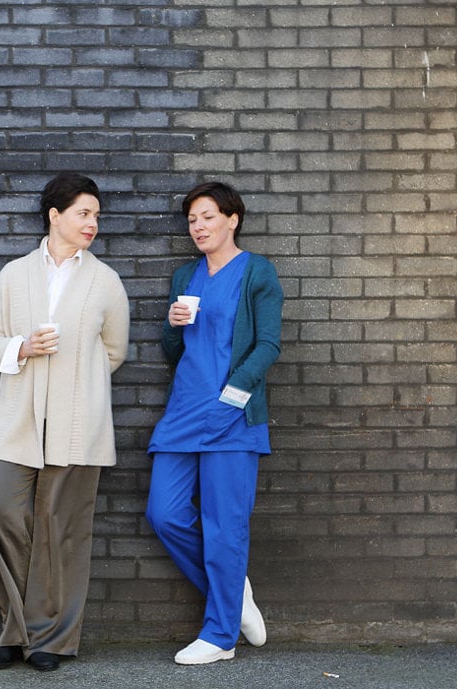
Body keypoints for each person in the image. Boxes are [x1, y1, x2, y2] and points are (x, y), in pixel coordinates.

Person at [0, 173, 130, 672]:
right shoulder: (14, 275)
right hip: (17, 420)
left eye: (97, 216)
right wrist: (21, 348)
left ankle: (50, 641)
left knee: (60, 529)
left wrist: (75, 384)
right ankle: (15, 628)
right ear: (55, 215)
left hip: (78, 427)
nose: (93, 224)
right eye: (84, 213)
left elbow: (114, 352)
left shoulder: (105, 281)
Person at [144, 181, 283, 665]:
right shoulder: (187, 274)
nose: (198, 227)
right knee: (164, 513)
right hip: (184, 412)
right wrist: (173, 325)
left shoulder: (257, 272)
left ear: (232, 219)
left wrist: (234, 395)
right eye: (192, 220)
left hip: (232, 416)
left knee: (225, 528)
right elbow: (171, 350)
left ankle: (221, 635)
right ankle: (233, 590)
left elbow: (268, 344)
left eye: (207, 217)